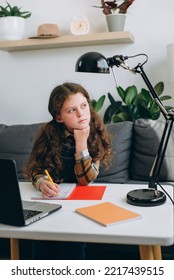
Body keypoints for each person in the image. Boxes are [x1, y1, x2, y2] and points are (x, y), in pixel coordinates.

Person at [24, 82, 111, 259]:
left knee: (73, 248)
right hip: (53, 201)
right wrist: (42, 183)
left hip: (82, 204)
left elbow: (86, 180)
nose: (81, 114)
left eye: (83, 106)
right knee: (42, 247)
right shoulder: (48, 135)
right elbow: (36, 169)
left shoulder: (96, 133)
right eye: (71, 110)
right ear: (59, 118)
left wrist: (81, 143)